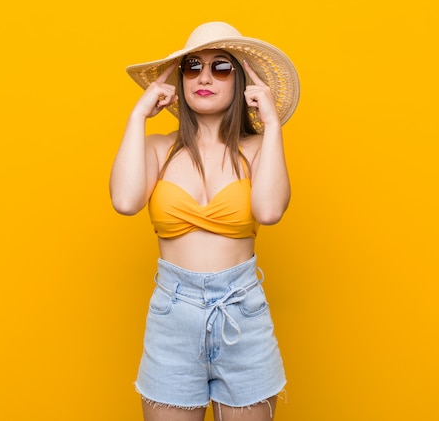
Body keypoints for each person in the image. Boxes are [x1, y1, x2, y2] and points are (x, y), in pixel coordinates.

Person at [110, 21, 300, 421]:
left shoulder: (257, 150)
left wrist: (272, 125)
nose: (204, 77)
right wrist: (137, 116)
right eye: (192, 66)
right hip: (172, 314)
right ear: (180, 81)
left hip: (241, 312)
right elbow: (125, 201)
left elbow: (269, 211)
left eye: (221, 67)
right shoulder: (158, 148)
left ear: (242, 81)